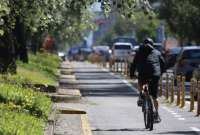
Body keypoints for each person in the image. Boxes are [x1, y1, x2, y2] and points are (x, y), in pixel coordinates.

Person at [130, 38, 165, 123]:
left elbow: (134, 64)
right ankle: (156, 114)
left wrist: (132, 74)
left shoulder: (139, 52)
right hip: (155, 74)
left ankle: (141, 94)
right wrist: (160, 73)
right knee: (154, 97)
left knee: (140, 80)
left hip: (143, 74)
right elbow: (163, 63)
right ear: (152, 45)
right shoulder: (157, 52)